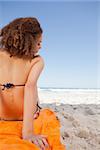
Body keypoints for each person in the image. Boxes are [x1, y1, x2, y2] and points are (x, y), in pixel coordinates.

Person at [0, 17, 49, 150]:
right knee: (32, 85)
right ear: (28, 41)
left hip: (3, 115)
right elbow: (29, 88)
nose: (41, 46)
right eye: (38, 43)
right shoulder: (37, 61)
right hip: (24, 115)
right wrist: (28, 134)